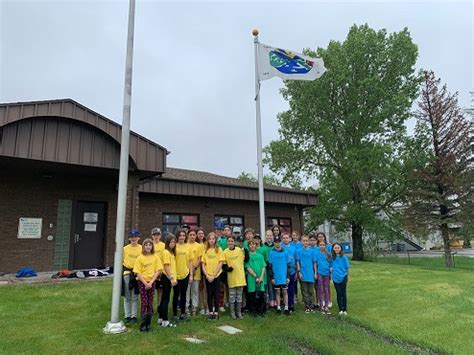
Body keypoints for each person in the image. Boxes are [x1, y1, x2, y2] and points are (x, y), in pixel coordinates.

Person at [133, 238, 163, 332]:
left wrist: (151, 282)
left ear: (152, 246)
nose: (148, 247)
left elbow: (158, 270)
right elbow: (137, 272)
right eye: (146, 245)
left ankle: (148, 323)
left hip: (152, 281)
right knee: (144, 302)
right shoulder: (140, 258)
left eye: (150, 245)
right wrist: (145, 283)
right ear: (143, 246)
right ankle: (143, 323)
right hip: (142, 282)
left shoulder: (155, 257)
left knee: (150, 303)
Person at [202, 232, 225, 320]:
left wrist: (214, 275)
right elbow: (203, 264)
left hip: (216, 275)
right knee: (209, 294)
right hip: (208, 276)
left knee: (216, 294)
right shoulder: (205, 250)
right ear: (207, 240)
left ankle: (216, 312)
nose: (211, 241)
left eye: (213, 239)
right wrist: (207, 275)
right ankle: (210, 311)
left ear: (215, 240)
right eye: (210, 239)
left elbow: (221, 262)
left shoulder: (219, 249)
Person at [223, 235, 247, 319]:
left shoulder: (239, 250)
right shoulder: (225, 252)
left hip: (240, 276)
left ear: (234, 242)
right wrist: (227, 269)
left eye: (232, 241)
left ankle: (239, 313)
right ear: (227, 242)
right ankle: (232, 313)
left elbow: (246, 259)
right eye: (229, 241)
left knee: (239, 296)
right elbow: (224, 265)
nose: (230, 243)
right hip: (232, 277)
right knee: (232, 296)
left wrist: (246, 251)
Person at [122, 229, 142, 325]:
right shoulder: (125, 249)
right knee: (127, 296)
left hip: (137, 274)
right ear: (129, 238)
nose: (134, 239)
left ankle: (134, 316)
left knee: (135, 296)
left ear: (139, 238)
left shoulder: (141, 248)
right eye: (132, 237)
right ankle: (127, 316)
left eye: (136, 237)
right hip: (127, 273)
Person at [173, 229, 193, 322]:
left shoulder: (188, 247)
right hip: (175, 275)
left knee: (184, 295)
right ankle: (174, 314)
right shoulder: (174, 246)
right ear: (177, 236)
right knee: (175, 295)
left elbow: (190, 262)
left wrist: (191, 275)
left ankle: (183, 314)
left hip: (185, 274)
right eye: (180, 235)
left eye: (183, 236)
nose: (182, 237)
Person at [159, 234, 178, 328]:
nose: (173, 244)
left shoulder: (171, 252)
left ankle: (161, 318)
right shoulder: (166, 252)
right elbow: (166, 266)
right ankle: (165, 320)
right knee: (166, 299)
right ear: (167, 243)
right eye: (171, 242)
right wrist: (171, 278)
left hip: (169, 278)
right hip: (167, 277)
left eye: (174, 242)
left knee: (164, 298)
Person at [268, 236, 291, 315]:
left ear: (280, 242)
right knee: (277, 292)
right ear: (274, 243)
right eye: (276, 242)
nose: (277, 243)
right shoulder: (271, 252)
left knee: (285, 292)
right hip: (276, 277)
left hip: (283, 276)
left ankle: (286, 308)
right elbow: (270, 266)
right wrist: (272, 277)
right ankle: (278, 307)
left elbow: (288, 265)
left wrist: (288, 277)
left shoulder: (285, 252)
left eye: (279, 242)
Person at [296, 235, 317, 313]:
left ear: (308, 241)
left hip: (310, 273)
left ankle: (312, 306)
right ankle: (307, 306)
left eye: (306, 241)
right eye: (303, 241)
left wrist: (315, 273)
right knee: (304, 291)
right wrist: (299, 272)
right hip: (303, 273)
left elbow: (314, 262)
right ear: (301, 241)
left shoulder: (312, 251)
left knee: (311, 291)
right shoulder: (298, 251)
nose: (305, 242)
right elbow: (297, 262)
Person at [245, 239, 266, 317]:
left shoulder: (260, 255)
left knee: (260, 295)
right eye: (250, 244)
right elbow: (247, 267)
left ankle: (260, 310)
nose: (252, 245)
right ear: (249, 246)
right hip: (252, 278)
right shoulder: (248, 256)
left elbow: (263, 266)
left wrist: (261, 277)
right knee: (252, 295)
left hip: (260, 279)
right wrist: (255, 276)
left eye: (254, 244)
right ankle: (252, 311)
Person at [186, 228, 203, 315]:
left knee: (195, 290)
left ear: (196, 236)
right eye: (190, 235)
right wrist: (190, 269)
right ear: (188, 236)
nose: (192, 236)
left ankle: (194, 307)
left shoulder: (198, 246)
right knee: (187, 291)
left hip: (196, 271)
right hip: (187, 271)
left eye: (193, 235)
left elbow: (200, 258)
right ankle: (186, 308)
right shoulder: (185, 245)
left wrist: (195, 267)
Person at [331, 243, 350, 316]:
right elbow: (331, 266)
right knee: (338, 293)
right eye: (335, 248)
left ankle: (345, 309)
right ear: (333, 249)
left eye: (338, 248)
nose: (337, 249)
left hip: (343, 276)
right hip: (335, 277)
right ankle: (340, 309)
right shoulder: (332, 258)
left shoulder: (344, 257)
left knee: (343, 293)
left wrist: (347, 275)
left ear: (341, 249)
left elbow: (347, 267)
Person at [315, 239, 332, 314]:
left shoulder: (328, 254)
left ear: (325, 246)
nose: (322, 246)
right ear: (318, 246)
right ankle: (321, 305)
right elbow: (315, 264)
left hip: (327, 273)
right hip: (319, 273)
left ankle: (326, 306)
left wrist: (330, 271)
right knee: (320, 289)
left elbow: (331, 264)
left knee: (326, 289)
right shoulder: (316, 254)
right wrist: (315, 273)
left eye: (323, 245)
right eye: (320, 245)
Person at [281, 232, 297, 312]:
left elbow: (296, 259)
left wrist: (297, 271)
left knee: (291, 288)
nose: (285, 239)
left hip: (292, 271)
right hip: (283, 271)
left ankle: (291, 303)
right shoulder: (280, 247)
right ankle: (285, 303)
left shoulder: (293, 248)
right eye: (284, 238)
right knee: (284, 288)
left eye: (287, 238)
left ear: (290, 239)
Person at [151, 227, 165, 317]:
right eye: (154, 235)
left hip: (161, 271)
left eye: (158, 235)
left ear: (160, 235)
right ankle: (150, 307)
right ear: (152, 236)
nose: (156, 236)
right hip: (151, 272)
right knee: (151, 291)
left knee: (160, 290)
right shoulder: (149, 244)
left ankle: (159, 307)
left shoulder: (163, 245)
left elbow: (165, 258)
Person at [260, 229, 275, 308]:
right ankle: (266, 301)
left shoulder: (275, 246)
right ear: (265, 237)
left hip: (274, 268)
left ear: (272, 236)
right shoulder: (263, 247)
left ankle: (273, 301)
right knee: (266, 285)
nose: (269, 237)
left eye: (270, 235)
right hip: (265, 268)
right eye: (267, 235)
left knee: (272, 285)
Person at [196, 227, 208, 315]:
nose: (200, 235)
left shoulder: (207, 243)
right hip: (197, 268)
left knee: (205, 288)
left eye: (202, 233)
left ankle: (206, 305)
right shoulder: (195, 244)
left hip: (205, 267)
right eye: (199, 233)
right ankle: (200, 307)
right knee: (199, 288)